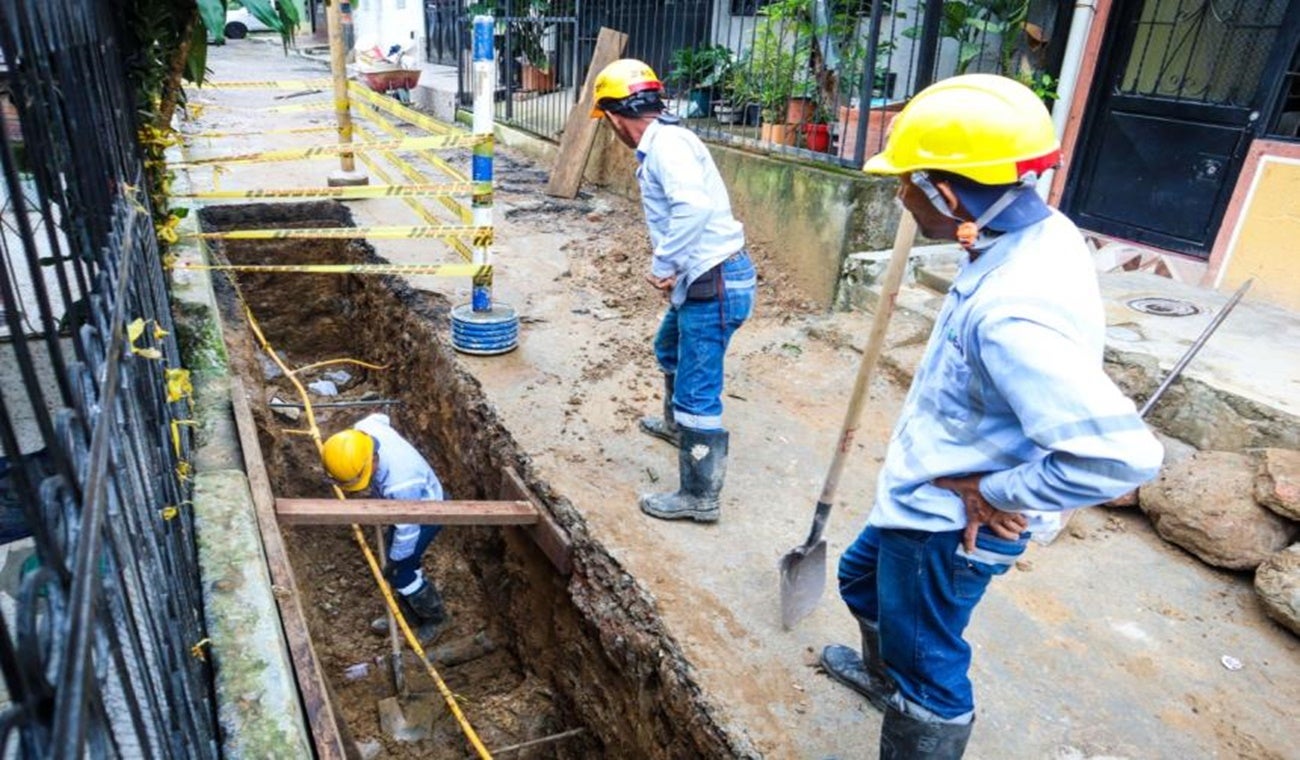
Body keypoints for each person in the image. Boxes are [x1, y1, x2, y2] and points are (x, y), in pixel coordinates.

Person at [819, 74, 1164, 758]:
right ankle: (892, 677)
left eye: (910, 182)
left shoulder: (1013, 312)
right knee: (861, 580)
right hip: (925, 491)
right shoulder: (1037, 230)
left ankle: (914, 700)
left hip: (946, 528)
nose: (901, 195)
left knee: (934, 670)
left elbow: (1122, 457)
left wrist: (1000, 493)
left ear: (948, 192)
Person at [589, 58, 757, 524]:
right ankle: (674, 426)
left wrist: (665, 264)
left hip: (714, 282)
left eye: (607, 121)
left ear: (616, 115)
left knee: (698, 393)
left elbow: (693, 207)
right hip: (704, 278)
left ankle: (700, 496)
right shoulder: (664, 143)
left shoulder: (669, 146)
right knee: (668, 348)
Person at [321, 413, 449, 643]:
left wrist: (396, 561)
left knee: (401, 573)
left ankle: (435, 618)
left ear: (372, 461)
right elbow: (381, 417)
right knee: (403, 560)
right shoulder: (366, 429)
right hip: (406, 509)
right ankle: (409, 608)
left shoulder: (401, 484)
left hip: (427, 512)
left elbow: (408, 529)